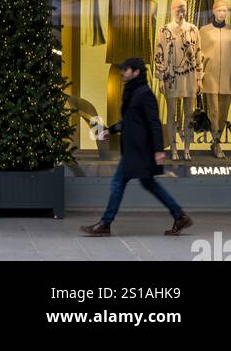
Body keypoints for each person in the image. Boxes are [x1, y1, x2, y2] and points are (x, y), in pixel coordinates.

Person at [81, 58, 192, 237]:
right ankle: (180, 216)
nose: (122, 72)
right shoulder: (133, 92)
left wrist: (158, 150)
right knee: (149, 183)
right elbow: (130, 121)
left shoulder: (144, 94)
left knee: (118, 182)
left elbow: (154, 123)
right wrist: (111, 130)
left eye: (126, 69)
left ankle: (105, 223)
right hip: (135, 150)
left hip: (140, 151)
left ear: (136, 72)